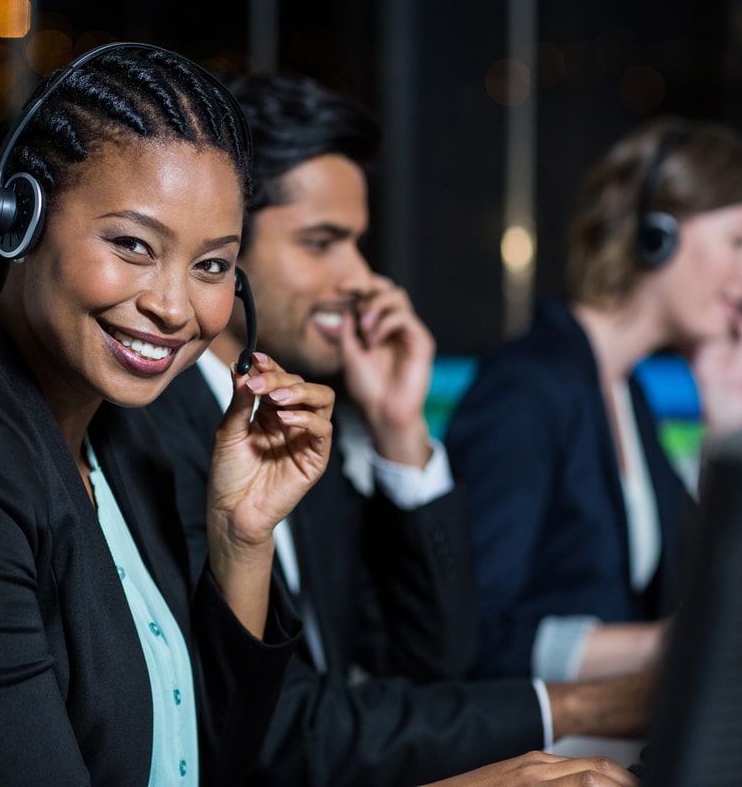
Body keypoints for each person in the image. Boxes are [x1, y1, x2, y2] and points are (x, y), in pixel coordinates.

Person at [148, 72, 647, 786]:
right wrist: (583, 704)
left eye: (357, 243)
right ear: (224, 253)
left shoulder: (293, 415)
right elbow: (282, 729)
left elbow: (430, 658)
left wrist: (399, 430)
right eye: (323, 243)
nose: (358, 275)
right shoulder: (157, 438)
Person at [0, 43, 335, 786]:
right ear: (18, 217)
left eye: (212, 265)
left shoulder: (125, 443)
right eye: (132, 245)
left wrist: (242, 536)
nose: (176, 307)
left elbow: (209, 759)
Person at [445, 116, 742, 683]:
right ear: (658, 236)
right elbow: (472, 637)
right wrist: (660, 647)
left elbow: (707, 585)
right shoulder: (526, 389)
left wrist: (725, 415)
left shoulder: (628, 394)